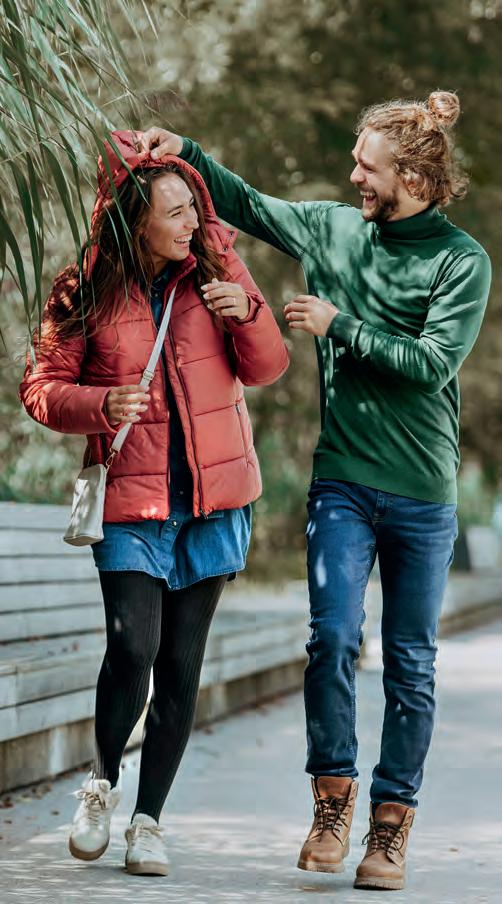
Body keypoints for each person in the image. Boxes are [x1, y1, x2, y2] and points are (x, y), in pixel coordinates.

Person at [136, 90, 491, 891]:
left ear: (413, 176)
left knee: (411, 662)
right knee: (331, 638)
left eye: (368, 166)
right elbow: (246, 202)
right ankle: (332, 802)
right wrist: (185, 149)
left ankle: (390, 828)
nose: (353, 175)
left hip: (423, 494)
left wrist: (341, 327)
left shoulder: (461, 261)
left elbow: (432, 364)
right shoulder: (332, 228)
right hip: (343, 482)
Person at [19, 131, 289, 877]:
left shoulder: (217, 272)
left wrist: (244, 309)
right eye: (174, 213)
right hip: (130, 502)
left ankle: (149, 822)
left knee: (179, 663)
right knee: (132, 648)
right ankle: (102, 784)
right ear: (134, 222)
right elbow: (40, 388)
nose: (191, 224)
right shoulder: (83, 289)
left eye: (194, 209)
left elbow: (268, 366)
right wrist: (100, 404)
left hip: (213, 503)